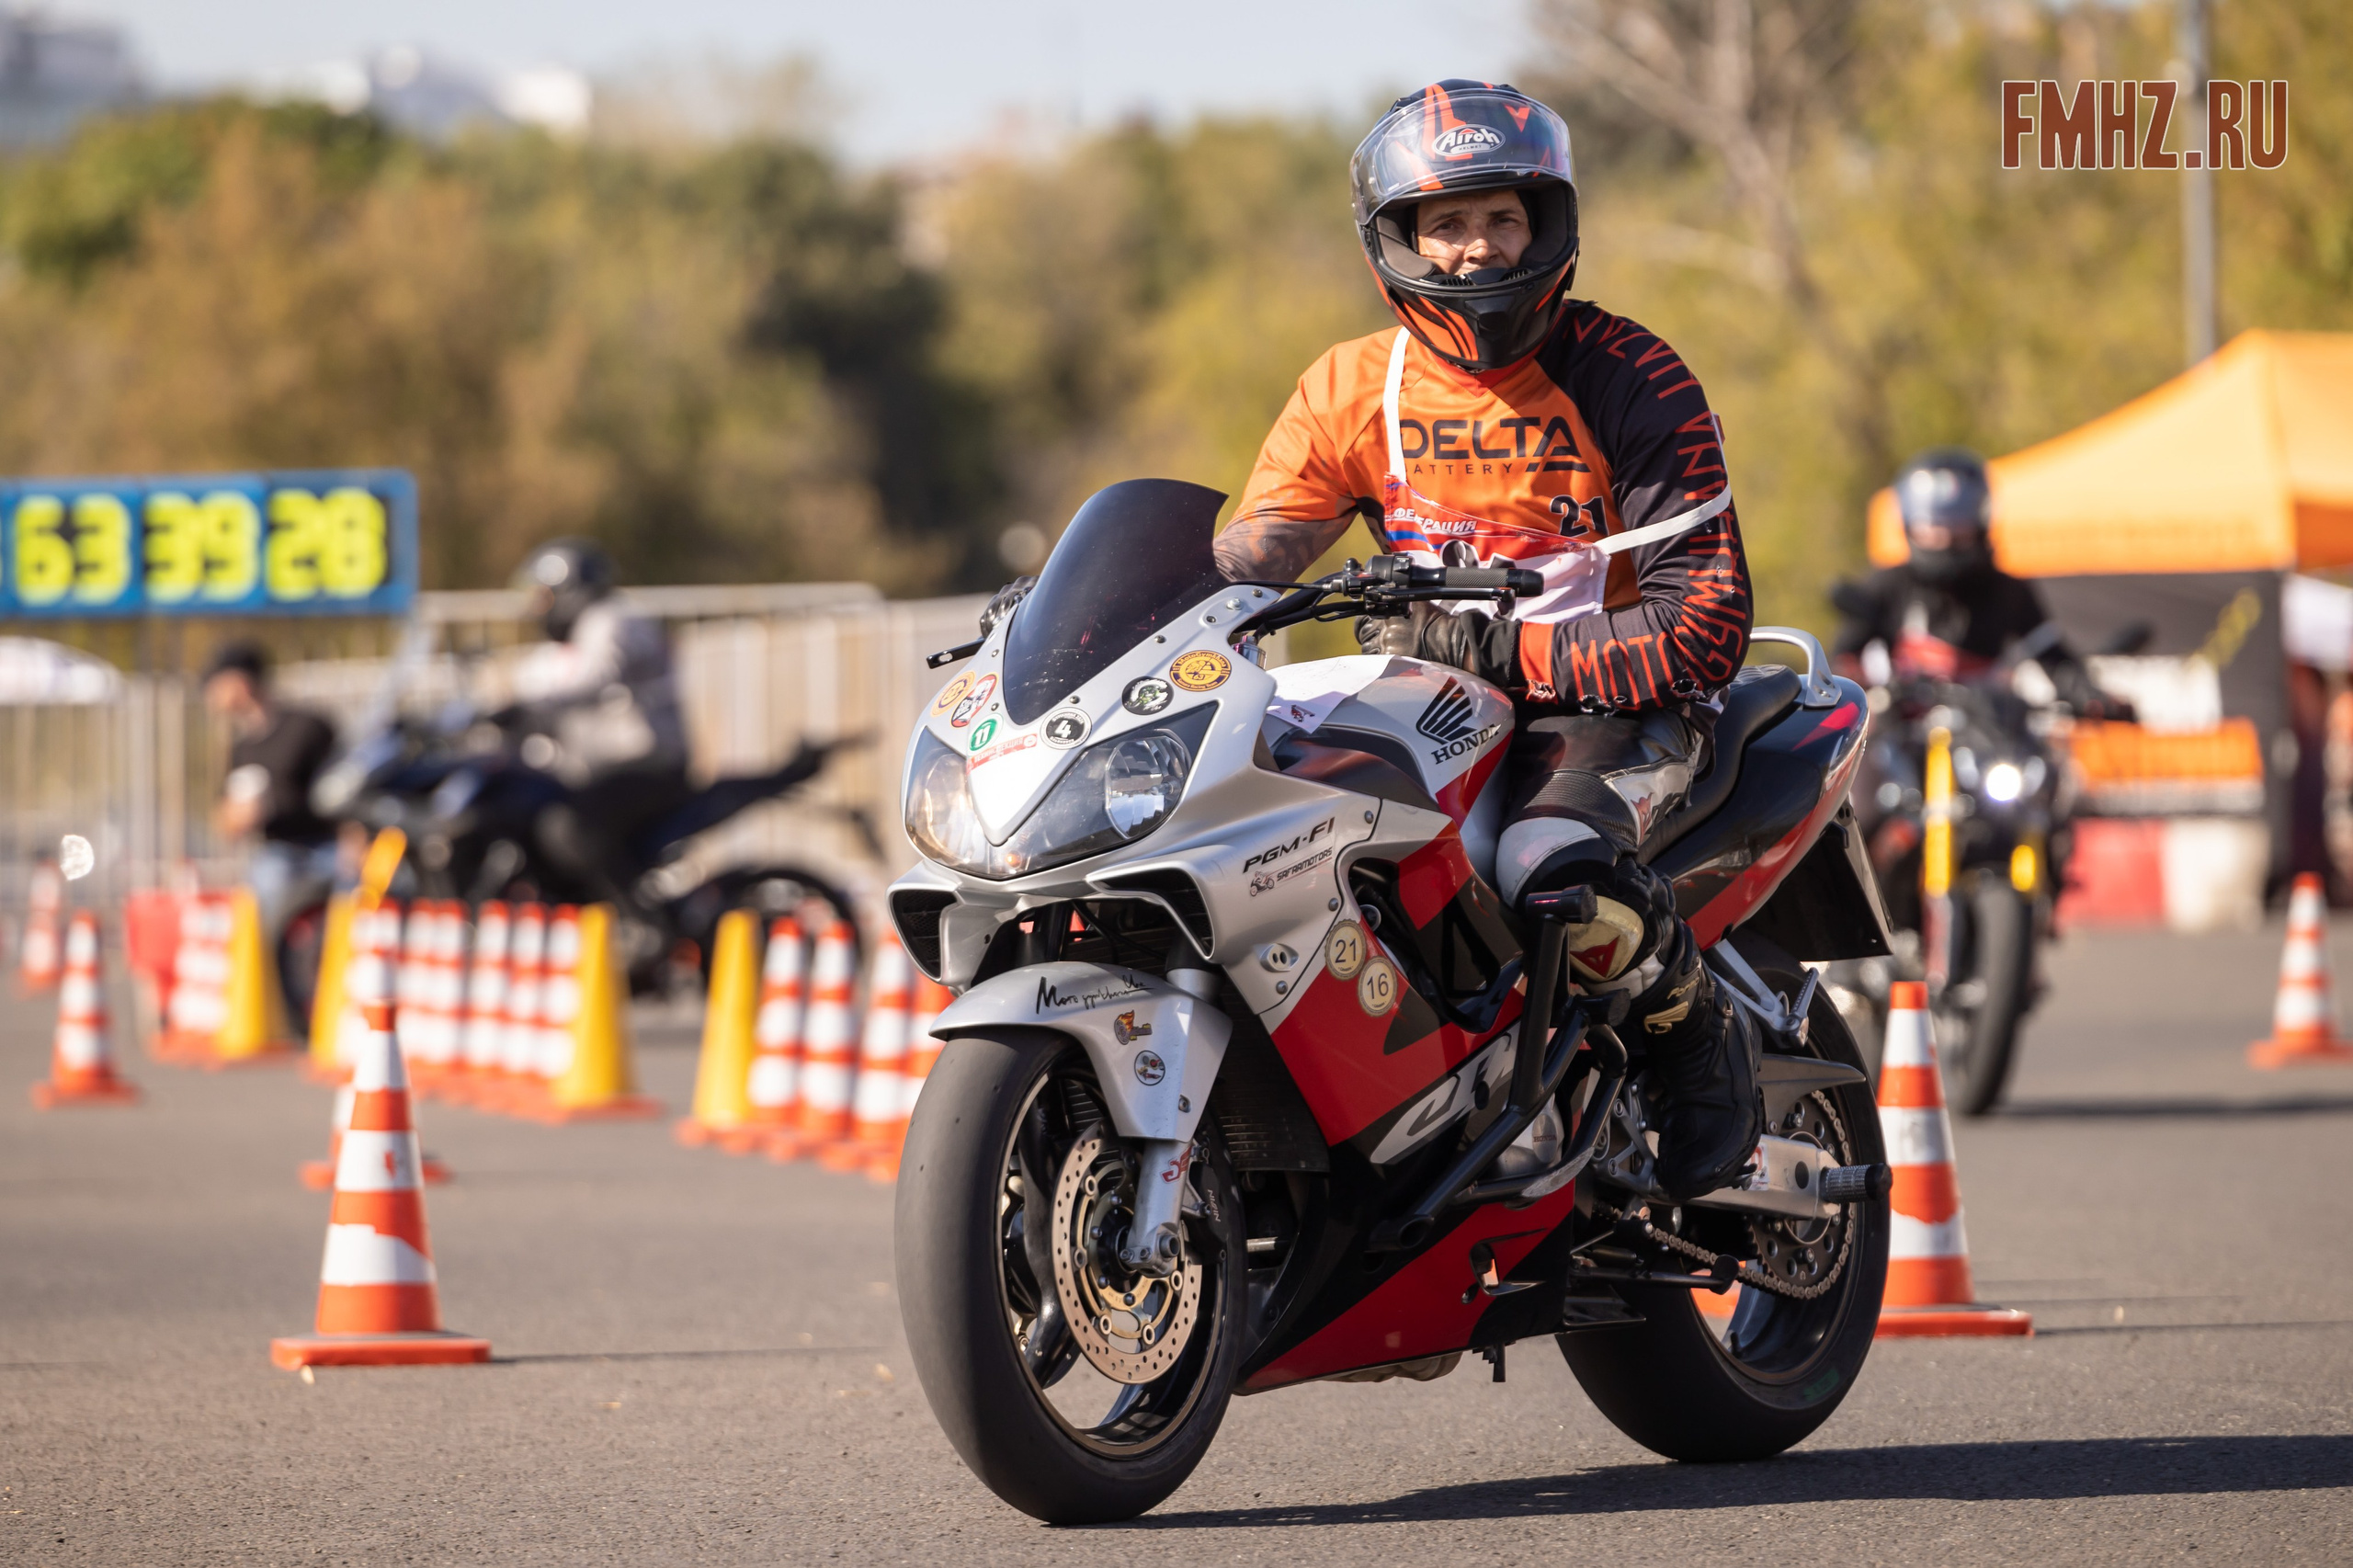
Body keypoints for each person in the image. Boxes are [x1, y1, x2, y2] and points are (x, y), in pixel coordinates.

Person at [995, 81, 1762, 1200]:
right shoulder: (1353, 386)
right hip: (1427, 691)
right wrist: (1074, 614)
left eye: (1503, 218)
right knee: (1279, 833)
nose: (1476, 249)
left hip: (1612, 705)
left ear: (1549, 225)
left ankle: (1698, 1044)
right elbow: (1246, 559)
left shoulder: (1636, 379)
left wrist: (1515, 657)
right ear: (1394, 239)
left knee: (1551, 874)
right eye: (1445, 224)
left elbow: (1707, 623)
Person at [1831, 447, 2115, 709]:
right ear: (1910, 525)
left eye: (1958, 531)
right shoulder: (1889, 585)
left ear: (1980, 524)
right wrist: (1860, 684)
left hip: (1989, 735)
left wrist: (2091, 696)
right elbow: (1842, 663)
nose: (1944, 541)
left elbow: (2053, 657)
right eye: (1932, 530)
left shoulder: (2008, 591)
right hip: (1903, 735)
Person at [503, 539, 693, 920]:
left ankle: (638, 920)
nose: (540, 609)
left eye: (545, 597)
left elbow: (594, 677)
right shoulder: (584, 634)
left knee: (567, 828)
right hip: (608, 770)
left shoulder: (614, 620)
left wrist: (530, 707)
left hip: (650, 766)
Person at [204, 642, 341, 954]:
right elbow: (223, 815)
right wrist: (232, 819)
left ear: (239, 681)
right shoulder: (243, 747)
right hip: (277, 851)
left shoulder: (307, 727)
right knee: (259, 915)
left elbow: (343, 786)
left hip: (322, 847)